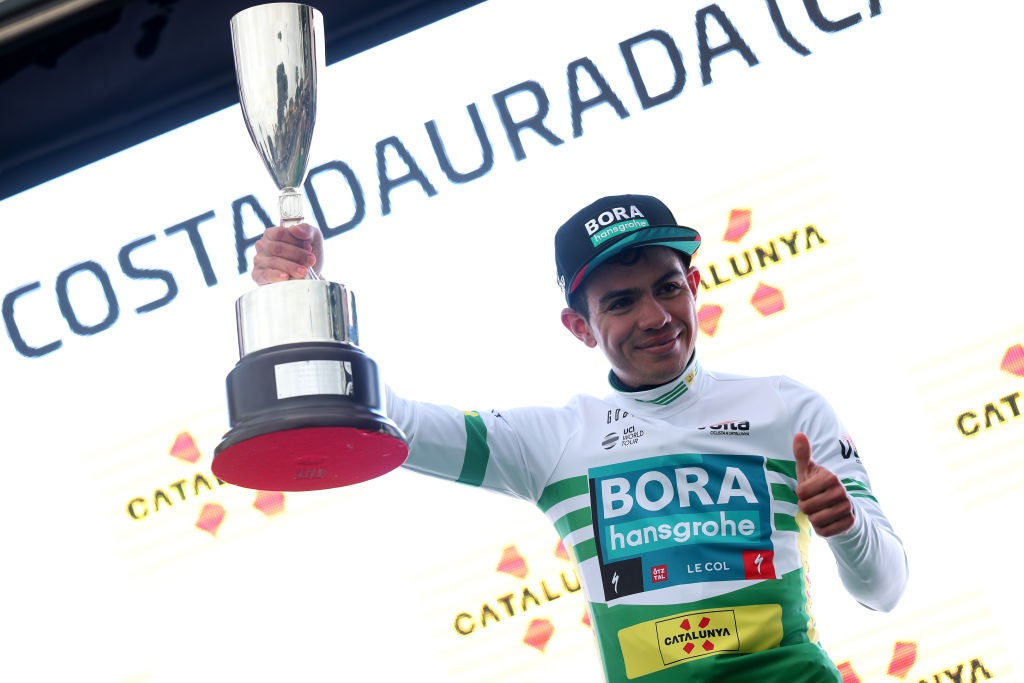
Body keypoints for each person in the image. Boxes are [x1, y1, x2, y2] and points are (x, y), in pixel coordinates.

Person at [252, 194, 908, 682]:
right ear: (580, 326)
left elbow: (884, 587)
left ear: (695, 286)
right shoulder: (558, 439)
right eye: (621, 303)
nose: (655, 317)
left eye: (666, 287)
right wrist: (299, 302)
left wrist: (845, 526)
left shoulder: (787, 408)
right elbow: (397, 421)